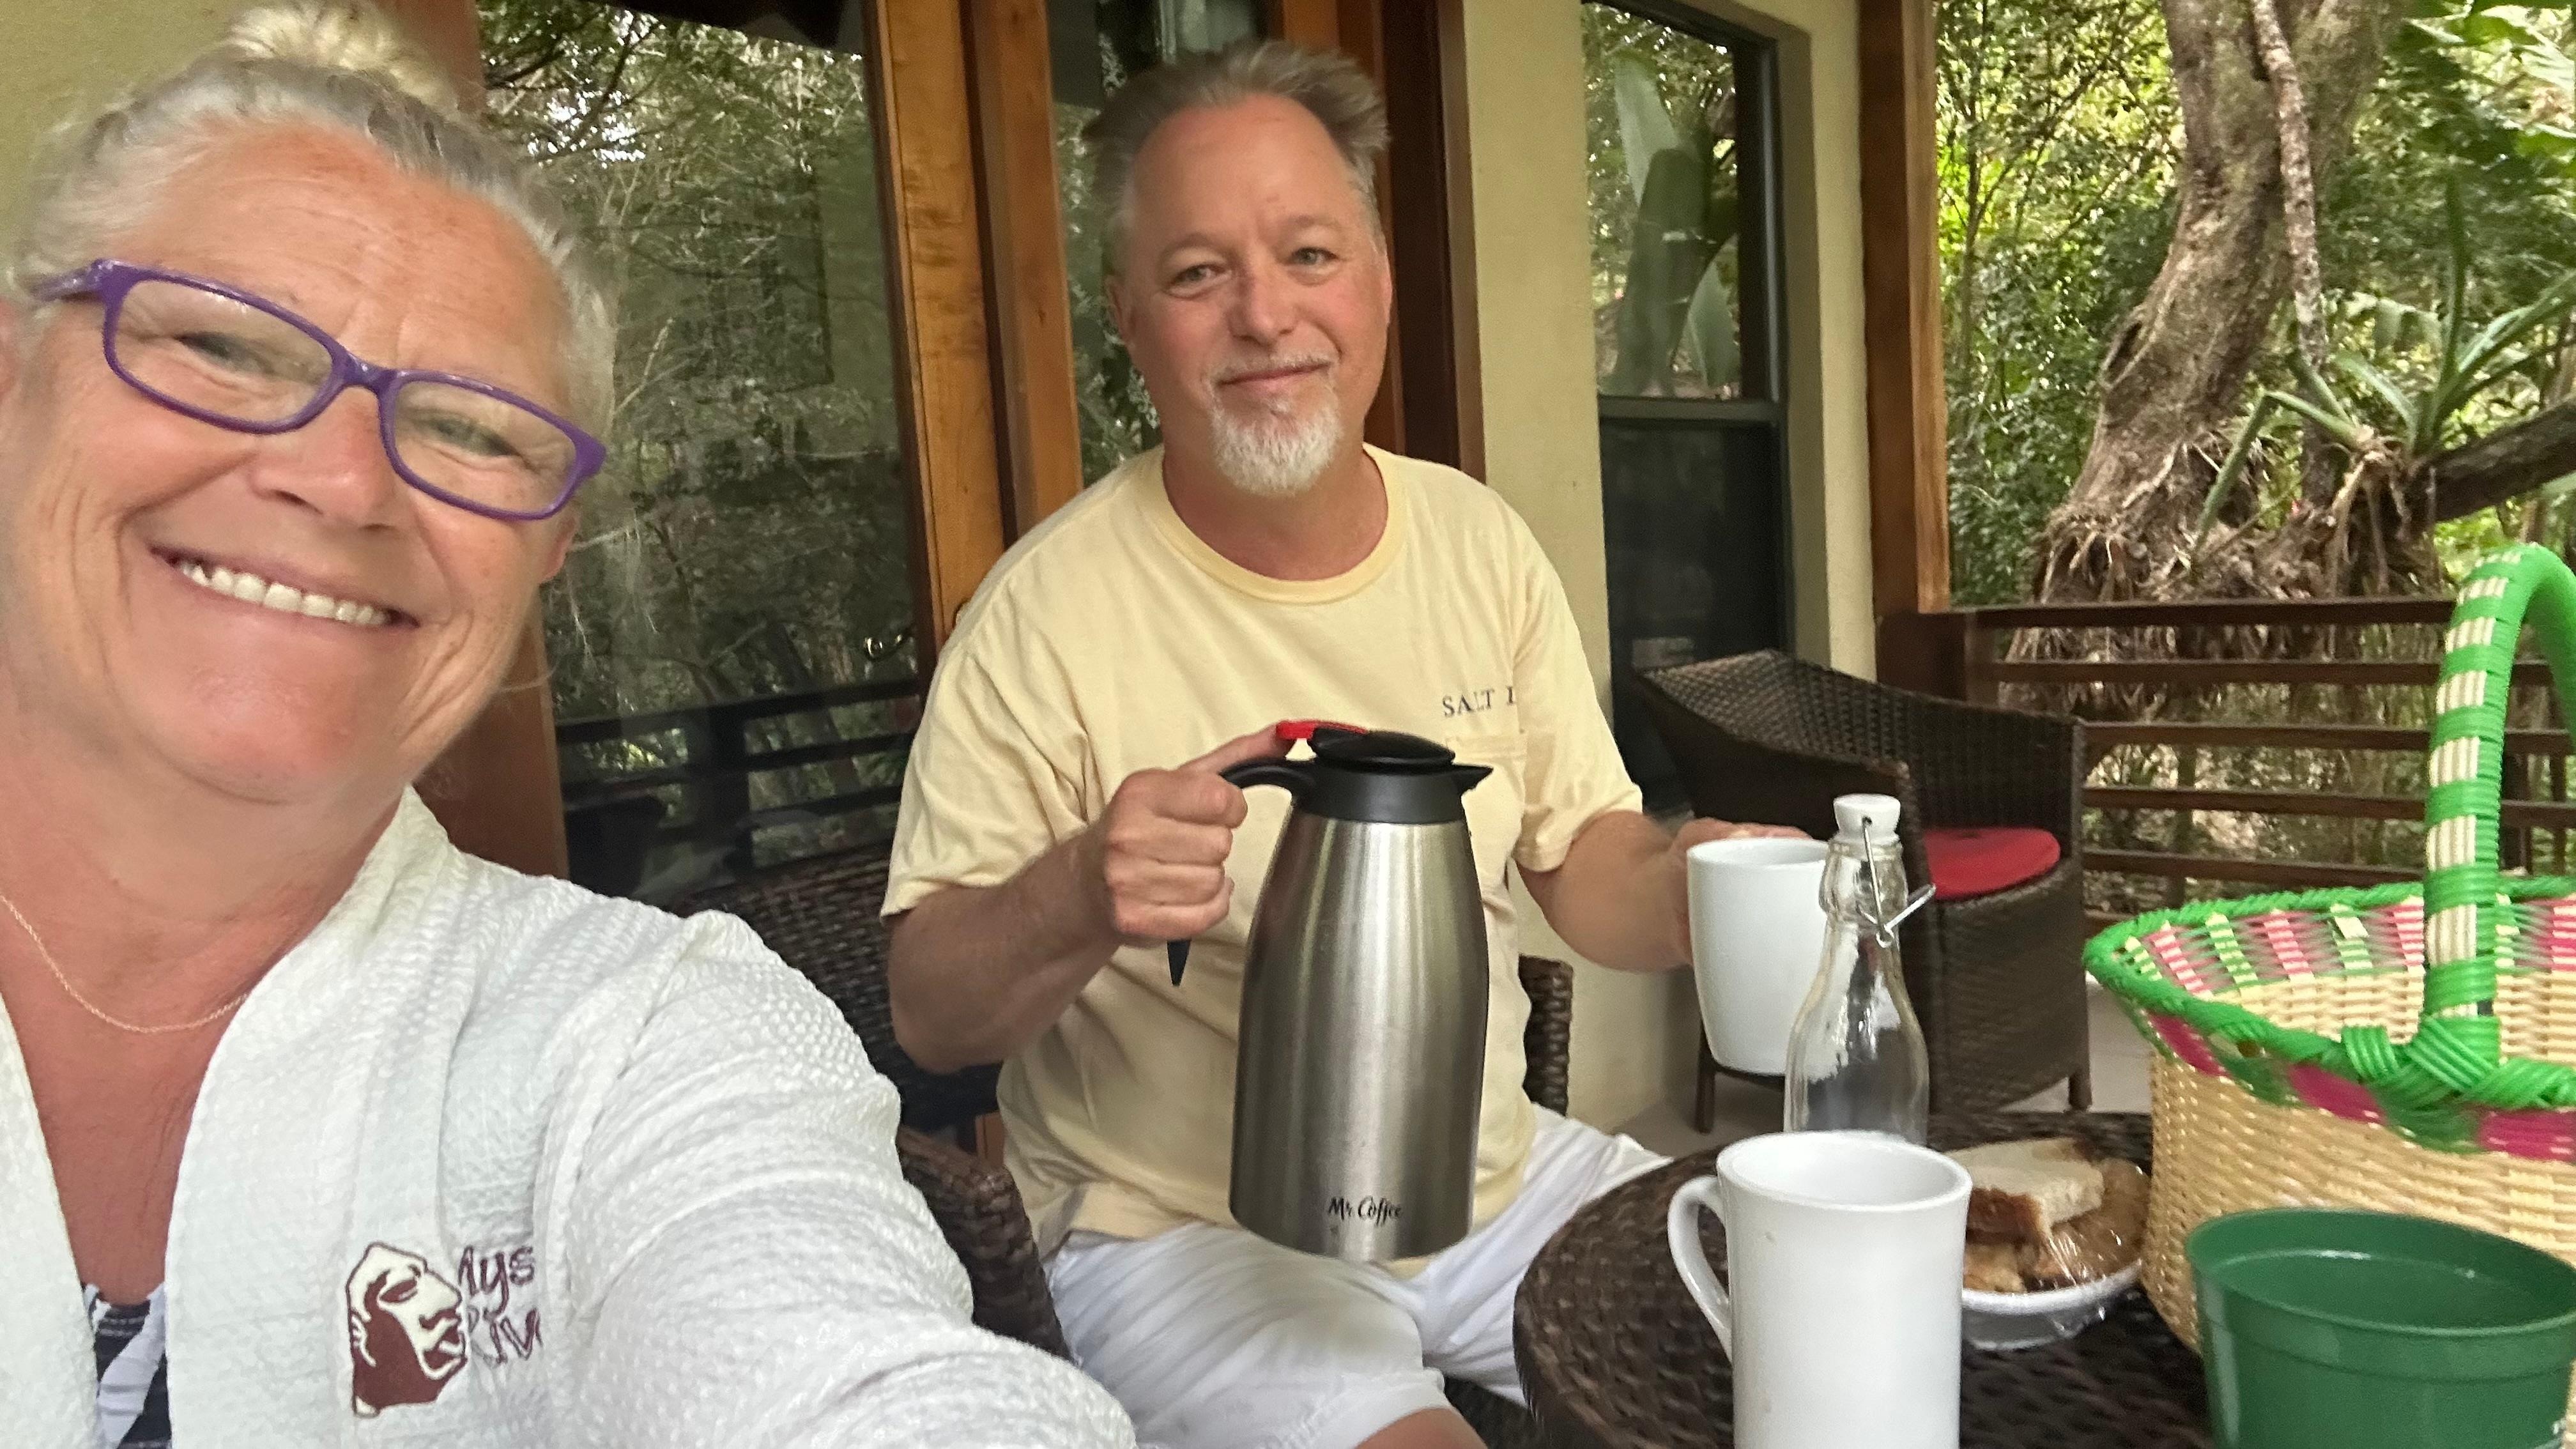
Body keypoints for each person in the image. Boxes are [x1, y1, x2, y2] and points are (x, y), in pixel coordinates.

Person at [0, 6, 1130, 1445]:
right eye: (225, 346)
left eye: (469, 429)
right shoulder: (1050, 605)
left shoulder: (646, 1042)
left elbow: (850, 1367)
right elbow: (944, 1006)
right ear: (12, 381)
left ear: (546, 547)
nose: (343, 483)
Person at [884, 40, 1798, 1449]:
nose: (1265, 316)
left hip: (1488, 1182)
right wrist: (1079, 892)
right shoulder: (1043, 613)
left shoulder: (1479, 543)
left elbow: (1583, 858)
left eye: (1309, 254)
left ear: (1375, 277)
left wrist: (1691, 890)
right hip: (1180, 1237)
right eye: (1199, 274)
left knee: (1823, 1331)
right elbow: (931, 1014)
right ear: (1128, 316)